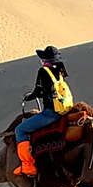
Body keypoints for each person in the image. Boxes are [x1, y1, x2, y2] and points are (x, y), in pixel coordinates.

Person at [14, 46, 73, 176]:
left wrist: (28, 97)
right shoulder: (60, 71)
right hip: (64, 110)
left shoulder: (44, 71)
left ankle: (28, 166)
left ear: (46, 59)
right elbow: (49, 92)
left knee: (20, 130)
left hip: (51, 113)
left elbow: (38, 91)